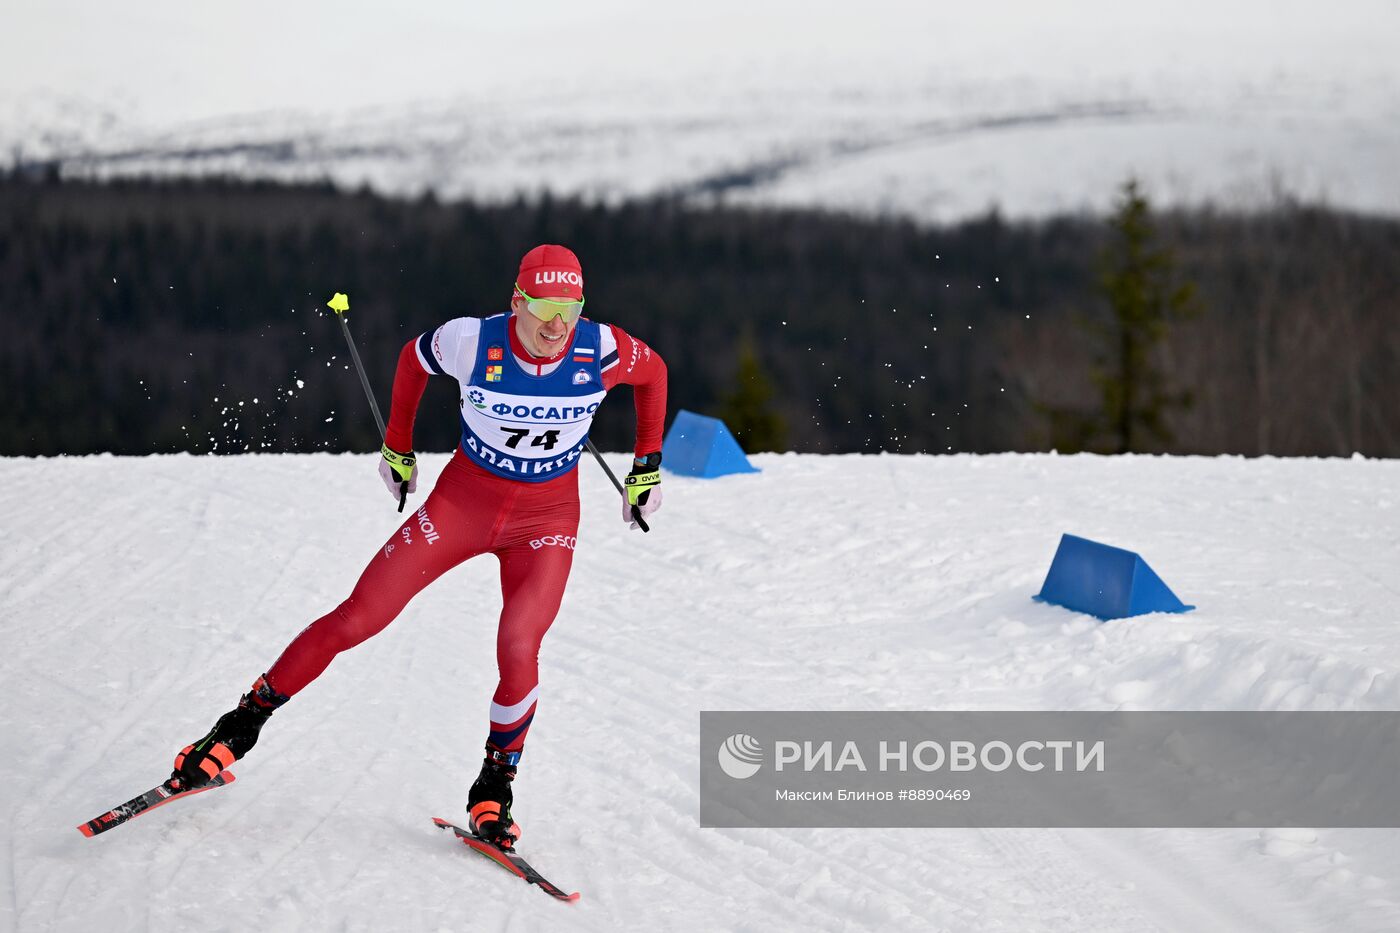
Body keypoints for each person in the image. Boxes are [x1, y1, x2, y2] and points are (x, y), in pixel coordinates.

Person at [169, 244, 667, 847]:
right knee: (359, 617)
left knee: (519, 645)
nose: (556, 325)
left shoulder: (603, 348)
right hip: (464, 505)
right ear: (516, 303)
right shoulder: (470, 341)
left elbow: (654, 374)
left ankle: (494, 787)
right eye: (543, 308)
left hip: (547, 520)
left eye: (570, 309)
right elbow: (412, 361)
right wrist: (397, 446)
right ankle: (236, 727)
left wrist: (647, 467)